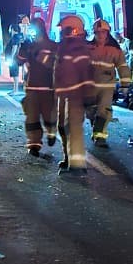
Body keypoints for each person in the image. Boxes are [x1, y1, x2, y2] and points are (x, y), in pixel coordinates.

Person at [53, 16, 93, 171]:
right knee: (62, 127)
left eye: (63, 30)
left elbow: (86, 73)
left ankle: (77, 165)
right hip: (63, 96)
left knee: (73, 128)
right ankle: (68, 158)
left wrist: (88, 95)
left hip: (76, 96)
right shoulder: (63, 47)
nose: (61, 32)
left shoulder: (79, 49)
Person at [17, 17, 59, 156]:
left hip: (48, 87)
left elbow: (56, 64)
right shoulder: (29, 46)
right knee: (32, 117)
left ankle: (51, 132)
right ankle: (34, 144)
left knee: (49, 116)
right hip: (32, 87)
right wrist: (22, 49)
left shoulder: (53, 46)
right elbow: (18, 62)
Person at [87, 18, 131, 148]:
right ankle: (96, 128)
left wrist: (125, 84)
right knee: (91, 111)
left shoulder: (115, 49)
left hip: (106, 86)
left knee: (104, 110)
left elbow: (122, 66)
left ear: (107, 33)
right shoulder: (87, 47)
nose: (100, 35)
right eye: (98, 32)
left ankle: (100, 137)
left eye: (103, 32)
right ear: (94, 33)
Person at [4, 23, 28, 94]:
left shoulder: (15, 37)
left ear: (13, 29)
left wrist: (11, 57)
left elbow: (14, 47)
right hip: (19, 58)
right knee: (16, 73)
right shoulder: (21, 36)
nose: (9, 30)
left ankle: (16, 90)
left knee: (15, 74)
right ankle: (15, 89)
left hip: (14, 58)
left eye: (10, 29)